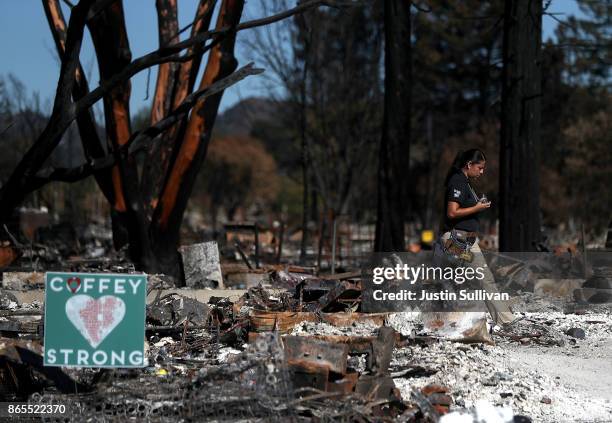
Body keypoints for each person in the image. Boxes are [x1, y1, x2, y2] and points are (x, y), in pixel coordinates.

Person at [435, 149, 517, 327]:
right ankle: (504, 320)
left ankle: (500, 319)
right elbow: (452, 212)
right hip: (456, 242)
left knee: (473, 278)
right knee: (480, 277)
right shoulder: (457, 181)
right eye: (480, 168)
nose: (482, 172)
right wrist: (477, 208)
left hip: (467, 242)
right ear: (469, 165)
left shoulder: (465, 183)